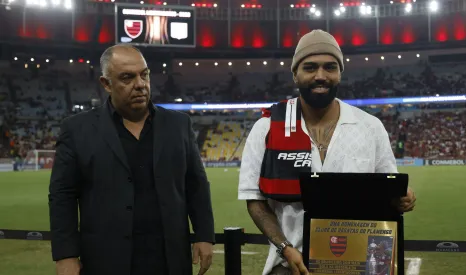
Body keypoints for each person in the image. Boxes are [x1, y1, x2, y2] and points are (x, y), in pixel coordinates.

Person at [238, 30, 416, 275]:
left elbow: (388, 191)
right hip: (290, 264)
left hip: (358, 263)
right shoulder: (267, 127)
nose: (320, 76)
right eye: (310, 67)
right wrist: (285, 248)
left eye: (330, 67)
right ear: (295, 74)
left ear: (340, 73)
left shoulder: (370, 127)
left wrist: (402, 197)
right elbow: (255, 201)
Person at [48, 44, 215, 275]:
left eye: (144, 74)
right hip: (105, 260)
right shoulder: (77, 130)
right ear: (106, 84)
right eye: (127, 77)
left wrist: (204, 235)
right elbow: (62, 195)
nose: (140, 84)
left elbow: (196, 184)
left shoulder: (179, 125)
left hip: (169, 259)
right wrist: (66, 255)